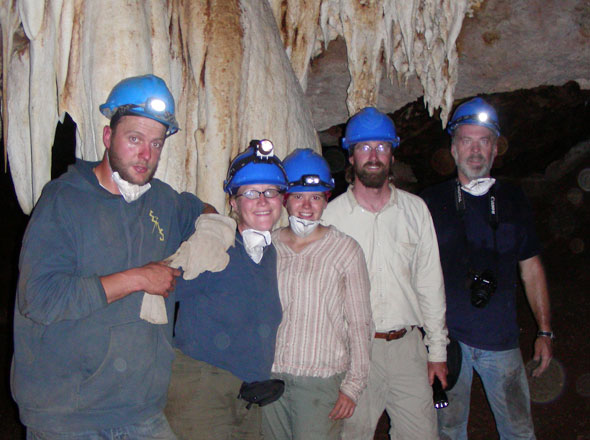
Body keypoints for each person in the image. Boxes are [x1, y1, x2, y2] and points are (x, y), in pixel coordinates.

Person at [11, 74, 216, 439]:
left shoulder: (163, 202)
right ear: (108, 138)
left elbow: (204, 213)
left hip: (140, 409)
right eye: (134, 139)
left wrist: (209, 234)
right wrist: (138, 278)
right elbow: (40, 299)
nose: (146, 154)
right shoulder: (64, 201)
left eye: (156, 143)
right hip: (68, 414)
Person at [421, 97, 553, 440]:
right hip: (447, 343)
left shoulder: (514, 200)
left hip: (502, 340)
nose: (475, 150)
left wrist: (544, 331)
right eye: (467, 140)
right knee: (448, 430)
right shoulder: (430, 203)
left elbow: (531, 268)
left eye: (484, 141)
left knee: (519, 429)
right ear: (453, 149)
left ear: (496, 149)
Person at [321, 107, 448, 440]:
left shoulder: (415, 211)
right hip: (353, 352)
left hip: (407, 348)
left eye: (381, 147)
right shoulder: (331, 218)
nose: (373, 155)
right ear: (350, 156)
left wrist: (437, 351)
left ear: (393, 153)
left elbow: (430, 284)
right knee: (351, 435)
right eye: (364, 147)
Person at [165, 140, 288, 439]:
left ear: (282, 199)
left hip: (246, 395)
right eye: (250, 192)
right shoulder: (217, 244)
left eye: (270, 191)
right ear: (233, 202)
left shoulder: (268, 253)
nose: (262, 200)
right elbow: (161, 289)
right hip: (201, 389)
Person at [261, 148, 373, 440]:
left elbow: (360, 322)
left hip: (320, 383)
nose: (307, 206)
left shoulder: (345, 250)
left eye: (316, 197)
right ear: (285, 199)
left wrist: (352, 386)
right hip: (270, 376)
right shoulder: (267, 247)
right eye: (298, 196)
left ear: (326, 199)